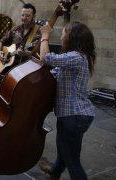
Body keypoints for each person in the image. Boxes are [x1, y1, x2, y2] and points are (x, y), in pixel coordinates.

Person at [38, 21, 96, 180]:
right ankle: (55, 171)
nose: (62, 35)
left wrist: (45, 36)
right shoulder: (72, 59)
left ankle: (58, 172)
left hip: (74, 115)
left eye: (64, 33)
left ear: (73, 37)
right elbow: (51, 72)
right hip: (72, 115)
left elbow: (46, 58)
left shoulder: (76, 57)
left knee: (73, 162)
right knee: (64, 148)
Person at [0, 3, 41, 75]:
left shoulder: (39, 32)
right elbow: (0, 41)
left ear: (34, 16)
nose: (24, 18)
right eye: (22, 15)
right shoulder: (15, 29)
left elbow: (40, 54)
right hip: (11, 70)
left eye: (27, 16)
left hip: (28, 71)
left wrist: (26, 53)